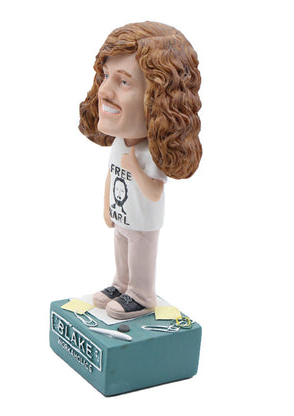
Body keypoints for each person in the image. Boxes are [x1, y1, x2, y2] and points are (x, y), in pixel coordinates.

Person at [79, 21, 202, 319]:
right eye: (105, 76)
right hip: (122, 216)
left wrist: (135, 168)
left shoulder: (148, 155)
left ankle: (142, 294)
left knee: (140, 256)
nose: (104, 91)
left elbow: (154, 191)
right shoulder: (119, 143)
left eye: (124, 82)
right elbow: (111, 175)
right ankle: (122, 284)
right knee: (121, 252)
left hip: (143, 225)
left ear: (157, 99)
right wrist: (107, 208)